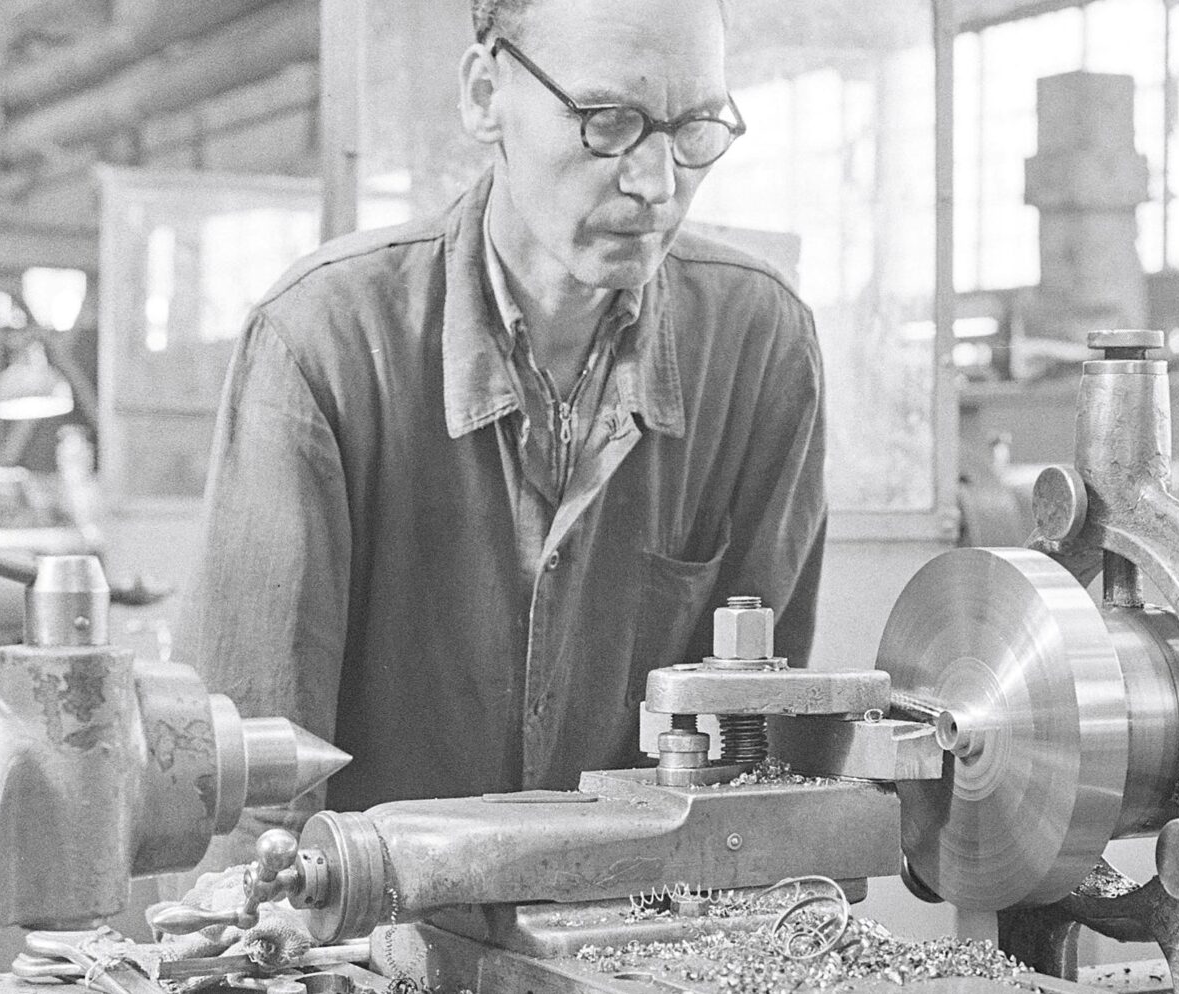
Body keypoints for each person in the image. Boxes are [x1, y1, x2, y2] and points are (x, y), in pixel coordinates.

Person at [181, 0, 826, 858]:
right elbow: (250, 801)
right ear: (487, 94)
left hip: (633, 942)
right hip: (367, 945)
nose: (657, 182)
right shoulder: (323, 348)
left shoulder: (757, 346)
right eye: (609, 122)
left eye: (695, 127)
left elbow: (758, 751)